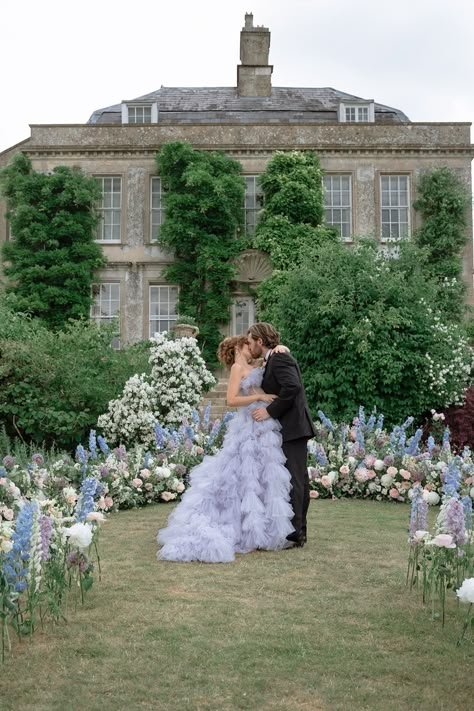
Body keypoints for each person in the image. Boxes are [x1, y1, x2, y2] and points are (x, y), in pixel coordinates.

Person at [157, 335, 295, 563]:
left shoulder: (254, 365)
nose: (251, 347)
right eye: (247, 344)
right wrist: (259, 396)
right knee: (243, 475)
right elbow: (231, 400)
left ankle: (259, 531)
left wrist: (281, 346)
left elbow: (270, 355)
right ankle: (245, 532)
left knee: (261, 476)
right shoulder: (236, 368)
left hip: (263, 425)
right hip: (247, 425)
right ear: (239, 347)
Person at [248, 322, 316, 548]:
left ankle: (296, 532)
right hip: (288, 428)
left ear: (260, 341)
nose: (249, 346)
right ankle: (297, 531)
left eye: (251, 341)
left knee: (295, 480)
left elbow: (293, 387)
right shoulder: (273, 358)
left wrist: (269, 410)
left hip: (294, 427)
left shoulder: (280, 358)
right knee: (296, 480)